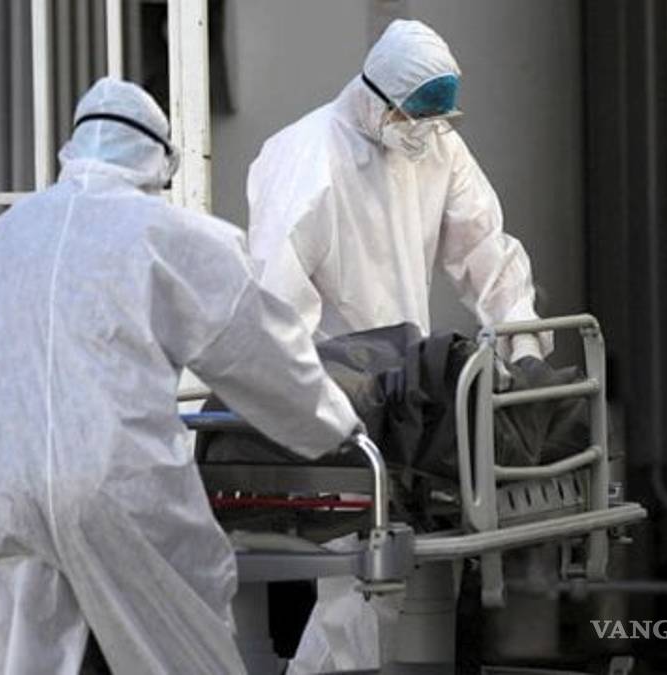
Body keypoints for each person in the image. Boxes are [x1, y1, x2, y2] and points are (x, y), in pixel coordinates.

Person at [0, 77, 362, 675]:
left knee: (18, 661)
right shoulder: (166, 234)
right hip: (117, 484)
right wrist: (334, 425)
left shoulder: (1, 239)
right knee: (181, 653)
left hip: (3, 489)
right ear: (158, 159)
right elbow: (257, 349)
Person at [245, 19, 553, 673]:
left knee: (386, 586)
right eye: (414, 116)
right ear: (376, 97)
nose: (424, 131)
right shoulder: (307, 159)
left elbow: (486, 251)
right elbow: (277, 306)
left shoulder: (435, 144)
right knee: (361, 585)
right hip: (335, 396)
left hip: (405, 393)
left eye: (438, 119)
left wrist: (522, 345)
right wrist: (317, 399)